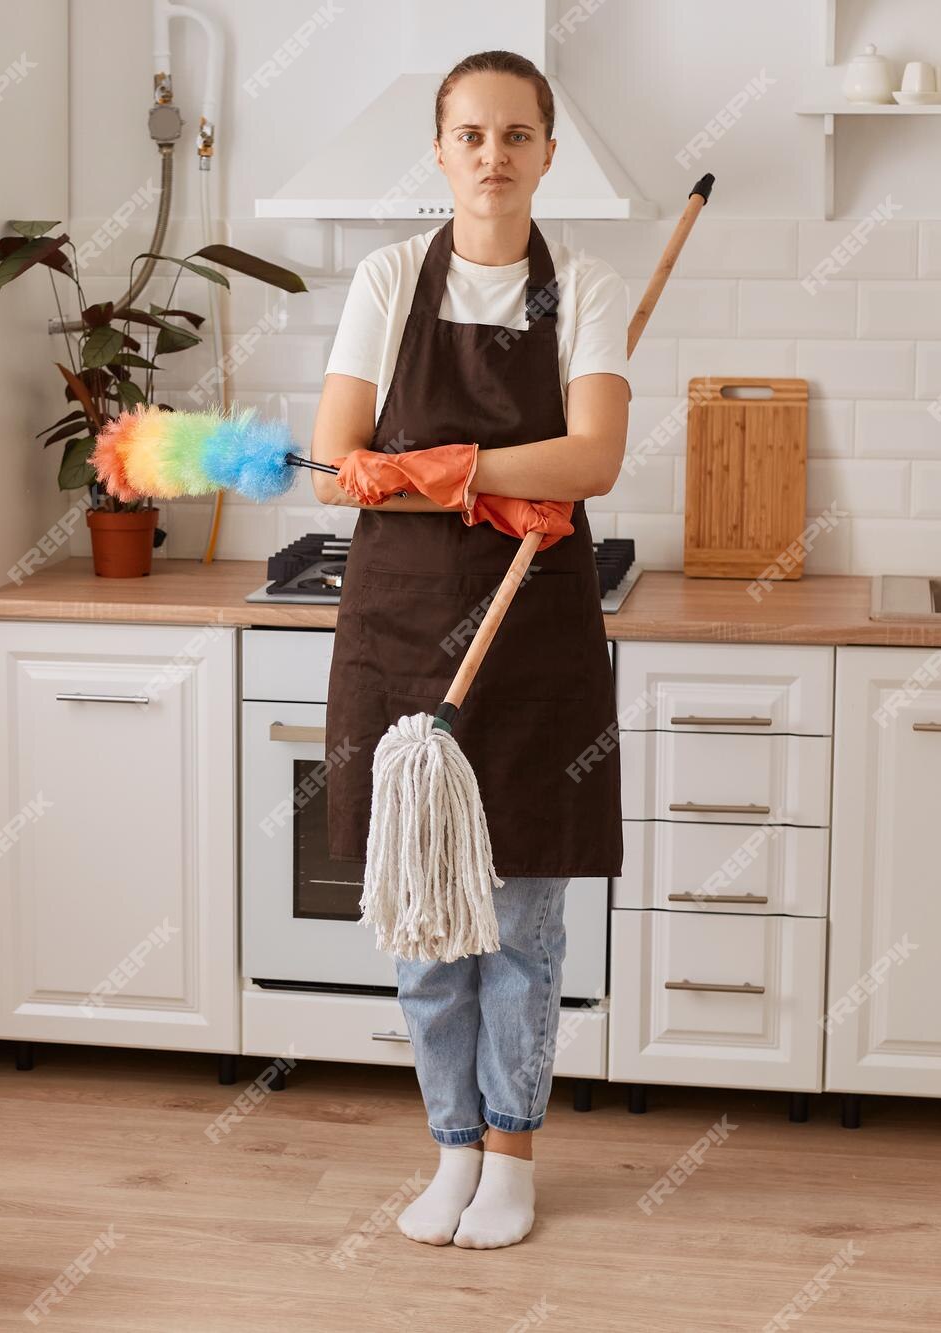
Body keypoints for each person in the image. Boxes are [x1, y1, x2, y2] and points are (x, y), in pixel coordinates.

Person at [314, 49, 628, 1250]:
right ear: (439, 152)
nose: (492, 155)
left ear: (547, 153)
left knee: (522, 920)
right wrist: (491, 481)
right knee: (427, 913)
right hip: (402, 632)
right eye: (469, 135)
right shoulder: (390, 278)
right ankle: (448, 1144)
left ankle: (511, 1153)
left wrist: (431, 470)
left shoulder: (583, 286)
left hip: (534, 632)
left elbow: (591, 460)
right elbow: (341, 448)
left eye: (514, 135)